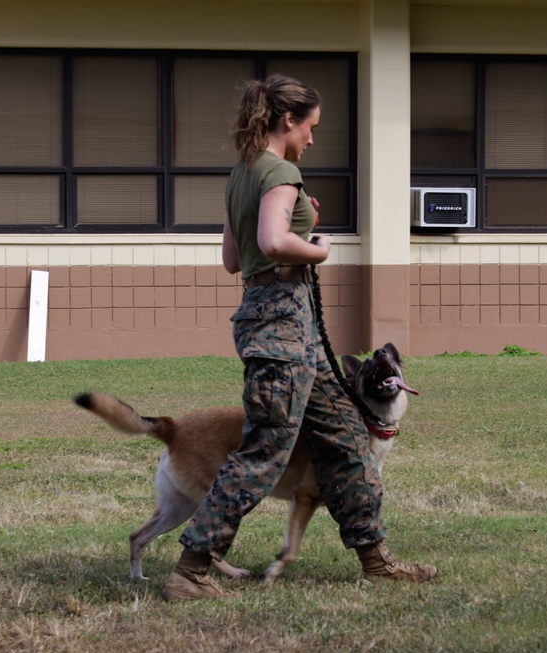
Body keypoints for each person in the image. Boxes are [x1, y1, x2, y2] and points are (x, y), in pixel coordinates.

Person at [162, 74, 439, 601]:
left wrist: (298, 231)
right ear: (288, 120)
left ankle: (376, 559)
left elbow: (233, 258)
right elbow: (271, 239)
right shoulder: (281, 170)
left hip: (283, 326)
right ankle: (190, 570)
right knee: (265, 451)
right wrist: (321, 247)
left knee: (346, 439)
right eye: (311, 127)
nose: (313, 138)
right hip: (282, 331)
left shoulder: (242, 175)